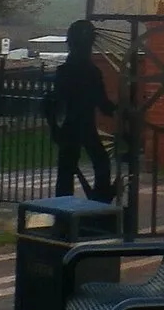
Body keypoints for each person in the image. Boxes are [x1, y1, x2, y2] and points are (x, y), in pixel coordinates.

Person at [47, 19, 117, 201]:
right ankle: (99, 205)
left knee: (66, 170)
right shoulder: (91, 72)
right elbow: (103, 103)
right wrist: (122, 111)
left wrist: (54, 127)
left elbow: (53, 102)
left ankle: (63, 211)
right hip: (85, 126)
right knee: (101, 163)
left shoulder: (64, 71)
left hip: (70, 127)